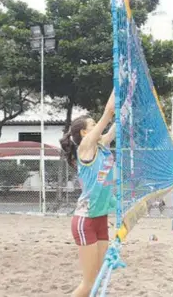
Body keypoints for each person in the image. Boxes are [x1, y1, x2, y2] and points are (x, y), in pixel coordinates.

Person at [59, 91, 117, 297]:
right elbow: (109, 112)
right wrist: (119, 79)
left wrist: (129, 97)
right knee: (88, 283)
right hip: (85, 221)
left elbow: (117, 122)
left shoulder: (102, 146)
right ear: (84, 133)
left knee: (99, 279)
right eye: (93, 125)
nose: (97, 126)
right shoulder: (85, 147)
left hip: (101, 218)